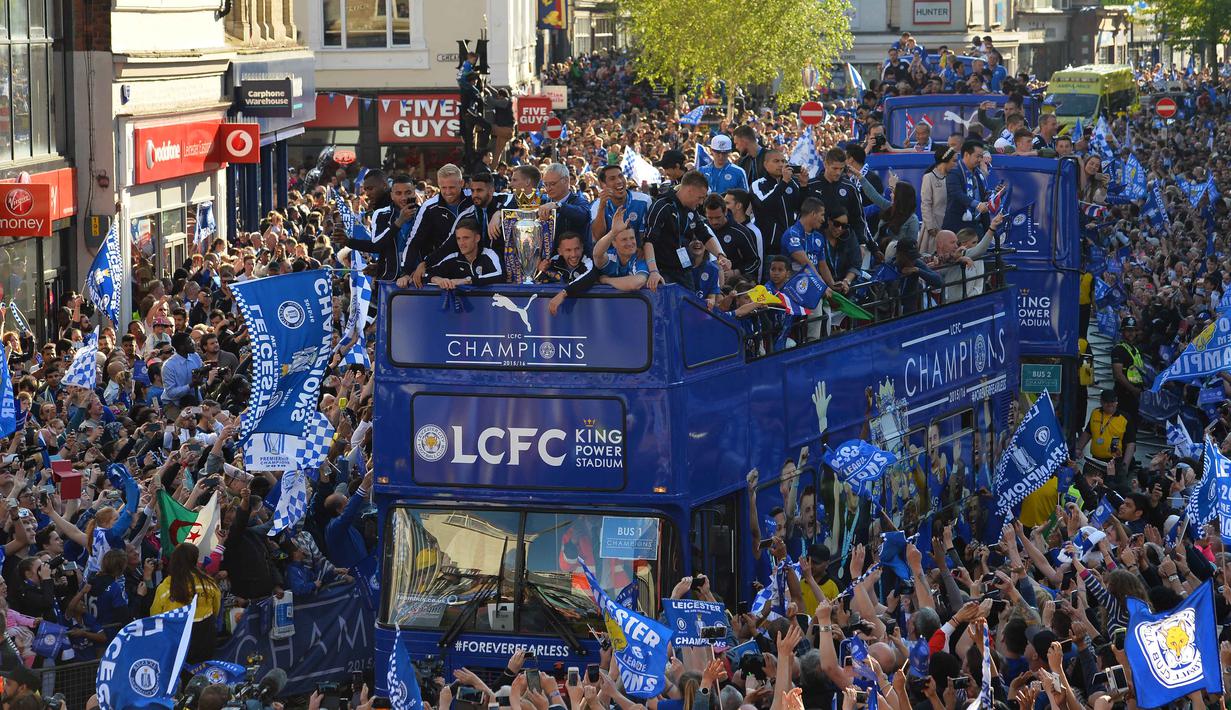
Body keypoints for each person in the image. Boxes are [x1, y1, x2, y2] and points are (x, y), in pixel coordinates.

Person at [643, 171, 730, 288]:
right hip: (663, 271)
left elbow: (704, 234)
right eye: (700, 197)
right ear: (690, 190)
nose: (701, 202)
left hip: (685, 269)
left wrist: (720, 255)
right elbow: (649, 241)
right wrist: (653, 271)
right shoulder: (663, 206)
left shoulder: (691, 210)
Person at [399, 164, 469, 287]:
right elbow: (414, 240)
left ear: (462, 183)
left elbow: (503, 200)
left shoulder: (473, 198)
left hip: (474, 264)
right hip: (442, 268)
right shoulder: (429, 207)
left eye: (452, 187)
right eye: (443, 187)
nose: (447, 192)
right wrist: (405, 272)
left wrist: (497, 215)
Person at [151, 543, 221, 664]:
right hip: (205, 634)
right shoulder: (208, 583)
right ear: (195, 559)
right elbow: (216, 609)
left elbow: (155, 615)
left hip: (177, 636)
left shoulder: (165, 587)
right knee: (202, 673)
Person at [1110, 316, 1147, 472]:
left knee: (1132, 428)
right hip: (1124, 395)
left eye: (1133, 331)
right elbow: (1118, 374)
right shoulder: (1119, 349)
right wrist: (1133, 390)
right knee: (1123, 428)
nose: (1131, 333)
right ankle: (1119, 460)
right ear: (1123, 332)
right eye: (1128, 331)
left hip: (1135, 396)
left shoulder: (1136, 349)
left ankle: (1129, 458)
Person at [750, 151, 803, 257]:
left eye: (783, 161)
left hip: (794, 245)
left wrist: (804, 185)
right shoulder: (758, 184)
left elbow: (803, 207)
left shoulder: (792, 183)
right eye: (776, 161)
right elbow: (764, 205)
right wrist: (783, 183)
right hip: (771, 248)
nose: (781, 165)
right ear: (765, 164)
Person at [425, 219, 505, 288]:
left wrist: (466, 281)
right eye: (458, 239)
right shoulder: (453, 259)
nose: (461, 243)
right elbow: (423, 274)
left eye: (466, 238)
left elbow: (501, 275)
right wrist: (437, 280)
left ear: (477, 238)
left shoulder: (489, 254)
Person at [589, 164, 653, 247]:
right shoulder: (596, 206)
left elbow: (651, 234)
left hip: (640, 254)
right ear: (602, 185)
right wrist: (602, 207)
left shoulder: (644, 200)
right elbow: (598, 236)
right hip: (610, 257)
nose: (619, 181)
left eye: (621, 176)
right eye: (612, 178)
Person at [537, 233, 599, 315]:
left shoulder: (588, 261)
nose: (573, 254)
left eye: (577, 249)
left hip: (586, 314)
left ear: (582, 248)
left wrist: (563, 293)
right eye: (568, 250)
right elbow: (539, 282)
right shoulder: (552, 262)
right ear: (560, 251)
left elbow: (590, 277)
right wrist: (539, 271)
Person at [702, 194, 760, 281]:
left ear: (725, 211)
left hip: (733, 284)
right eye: (710, 218)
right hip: (707, 280)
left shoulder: (740, 232)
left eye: (718, 217)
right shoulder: (702, 229)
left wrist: (735, 272)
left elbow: (755, 262)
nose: (714, 222)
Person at [591, 209, 650, 292]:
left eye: (632, 238)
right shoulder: (610, 256)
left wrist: (606, 280)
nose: (630, 243)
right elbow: (596, 254)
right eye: (624, 239)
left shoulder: (640, 258)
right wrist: (613, 233)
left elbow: (635, 284)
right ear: (614, 243)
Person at [1076, 390, 1128, 478]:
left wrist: (1125, 465)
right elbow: (1088, 432)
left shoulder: (1124, 418)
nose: (1110, 405)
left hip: (1114, 462)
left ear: (1116, 402)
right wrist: (1079, 448)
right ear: (1101, 402)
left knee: (1110, 486)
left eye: (1113, 402)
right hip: (1095, 460)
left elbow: (1131, 444)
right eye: (1107, 402)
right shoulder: (1095, 413)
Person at [942, 140, 990, 234]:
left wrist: (995, 194)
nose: (980, 160)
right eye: (977, 156)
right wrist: (977, 205)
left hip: (977, 225)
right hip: (958, 226)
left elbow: (982, 194)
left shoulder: (978, 172)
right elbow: (957, 193)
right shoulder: (954, 171)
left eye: (981, 157)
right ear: (967, 154)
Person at [539, 163, 592, 243]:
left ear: (566, 180)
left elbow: (583, 214)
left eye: (552, 184)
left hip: (573, 254)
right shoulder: (543, 201)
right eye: (545, 184)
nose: (548, 188)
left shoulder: (579, 201)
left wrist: (559, 205)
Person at [160, 332, 203, 407]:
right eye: (190, 342)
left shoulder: (195, 356)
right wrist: (191, 385)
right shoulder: (168, 366)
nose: (194, 343)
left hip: (194, 400)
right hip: (173, 404)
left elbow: (202, 378)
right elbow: (171, 392)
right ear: (181, 347)